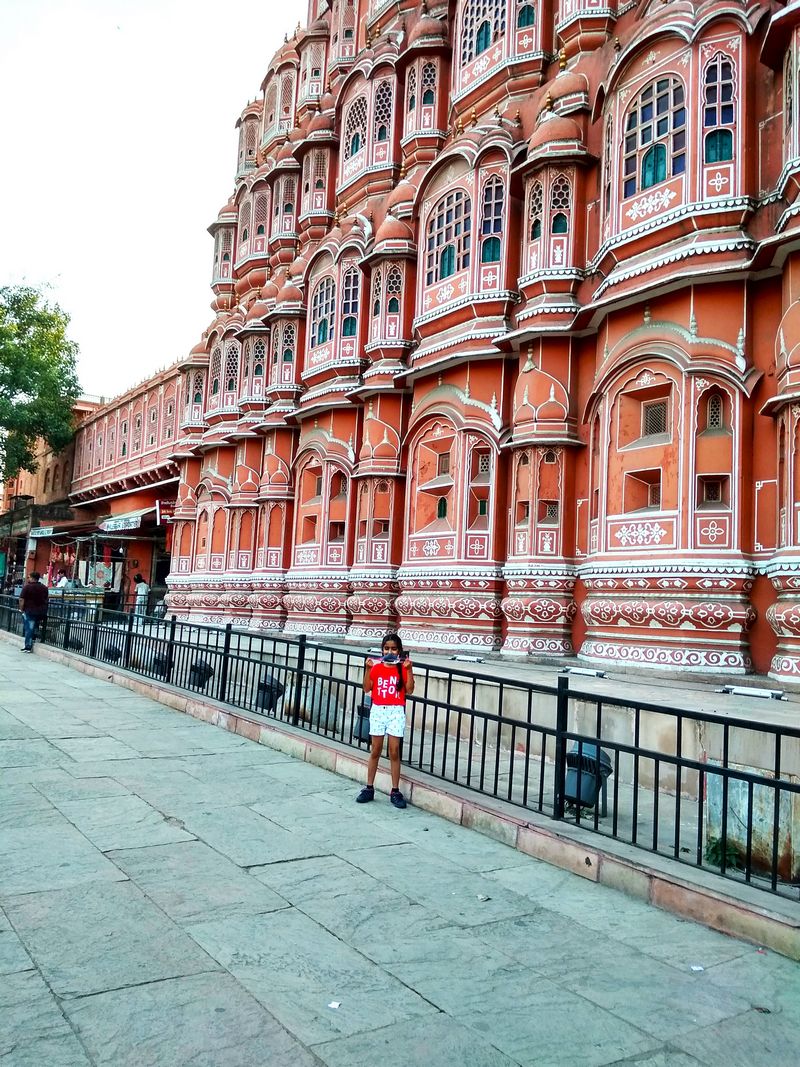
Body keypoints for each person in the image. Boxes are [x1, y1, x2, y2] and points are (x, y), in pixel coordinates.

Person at [356, 632, 414, 809]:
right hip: (379, 710)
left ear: (400, 651)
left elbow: (410, 690)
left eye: (394, 649)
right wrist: (367, 669)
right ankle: (369, 787)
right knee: (376, 750)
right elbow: (367, 688)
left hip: (396, 710)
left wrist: (410, 669)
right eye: (387, 648)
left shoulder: (403, 668)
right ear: (382, 650)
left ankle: (395, 790)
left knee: (394, 751)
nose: (390, 651)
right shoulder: (377, 667)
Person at [19, 571, 49, 653]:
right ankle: (34, 639)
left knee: (29, 628)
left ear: (32, 578)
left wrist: (21, 609)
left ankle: (28, 646)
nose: (28, 579)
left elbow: (21, 599)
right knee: (35, 627)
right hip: (41, 611)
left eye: (29, 577)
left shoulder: (27, 587)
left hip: (30, 610)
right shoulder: (44, 588)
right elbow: (46, 599)